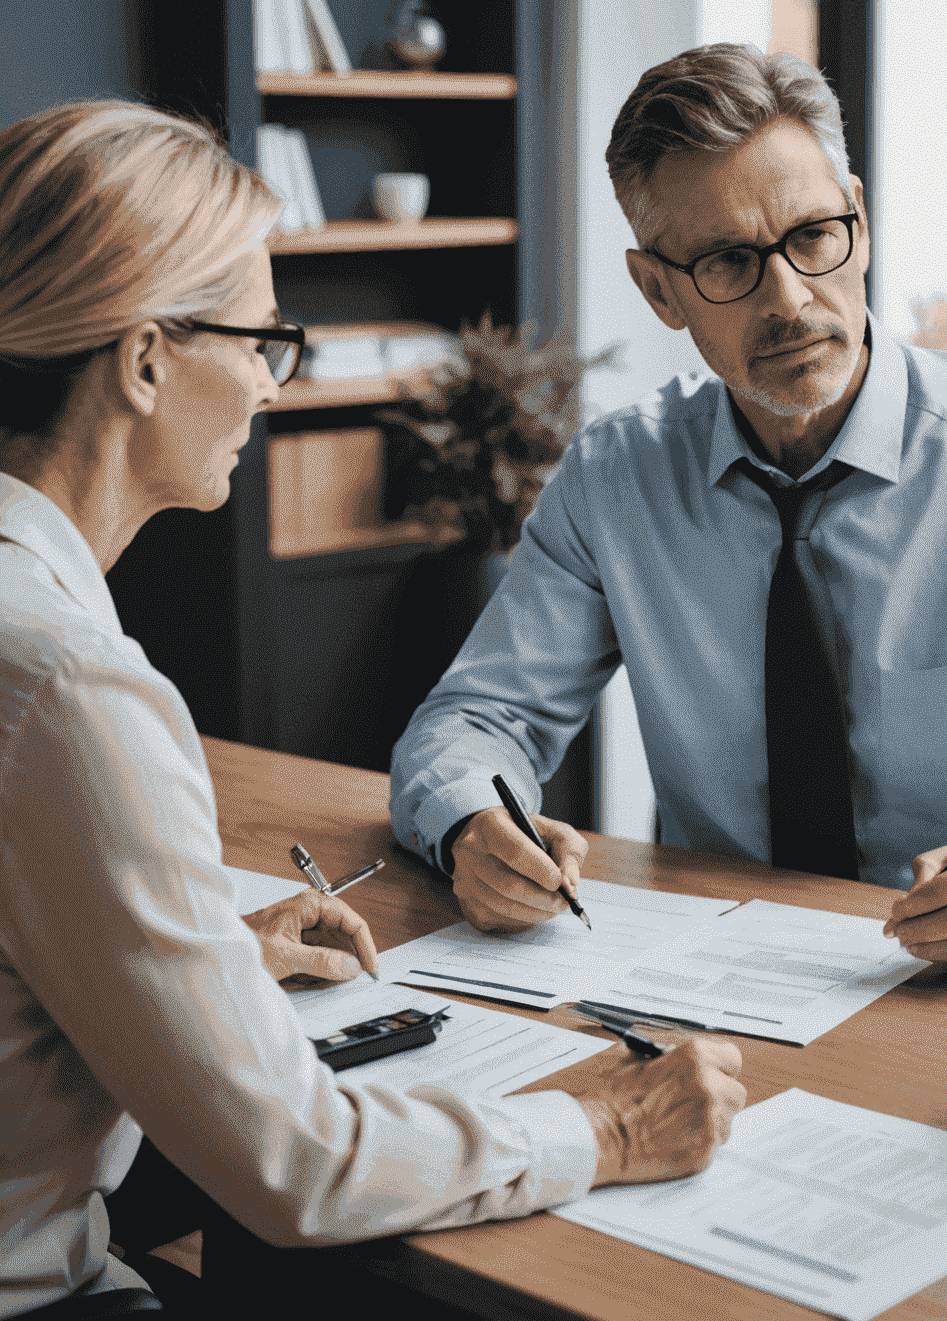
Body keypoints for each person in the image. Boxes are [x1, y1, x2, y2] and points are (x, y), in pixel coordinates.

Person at [0, 101, 746, 1319]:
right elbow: (298, 1168)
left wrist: (196, 968)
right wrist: (602, 1127)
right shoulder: (72, 693)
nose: (269, 385)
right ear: (142, 361)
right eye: (260, 340)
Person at [391, 41, 947, 980]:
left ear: (860, 222)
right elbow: (472, 720)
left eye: (812, 238)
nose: (790, 301)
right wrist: (475, 825)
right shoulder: (615, 477)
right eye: (727, 262)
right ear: (657, 290)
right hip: (706, 969)